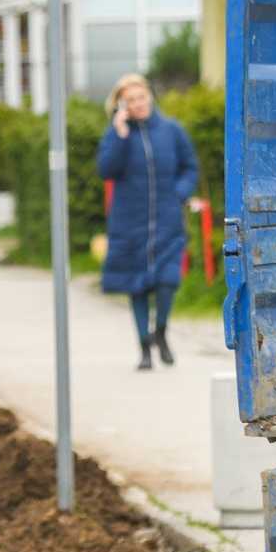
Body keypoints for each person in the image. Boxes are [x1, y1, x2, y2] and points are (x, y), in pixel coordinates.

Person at [96, 72, 198, 369]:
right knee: (137, 286)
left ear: (150, 97)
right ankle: (143, 349)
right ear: (120, 106)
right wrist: (119, 134)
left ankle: (161, 331)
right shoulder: (116, 135)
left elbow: (189, 167)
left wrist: (178, 194)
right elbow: (106, 170)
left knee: (167, 280)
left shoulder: (171, 130)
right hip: (129, 221)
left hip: (167, 219)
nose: (138, 104)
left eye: (141, 97)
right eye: (130, 100)